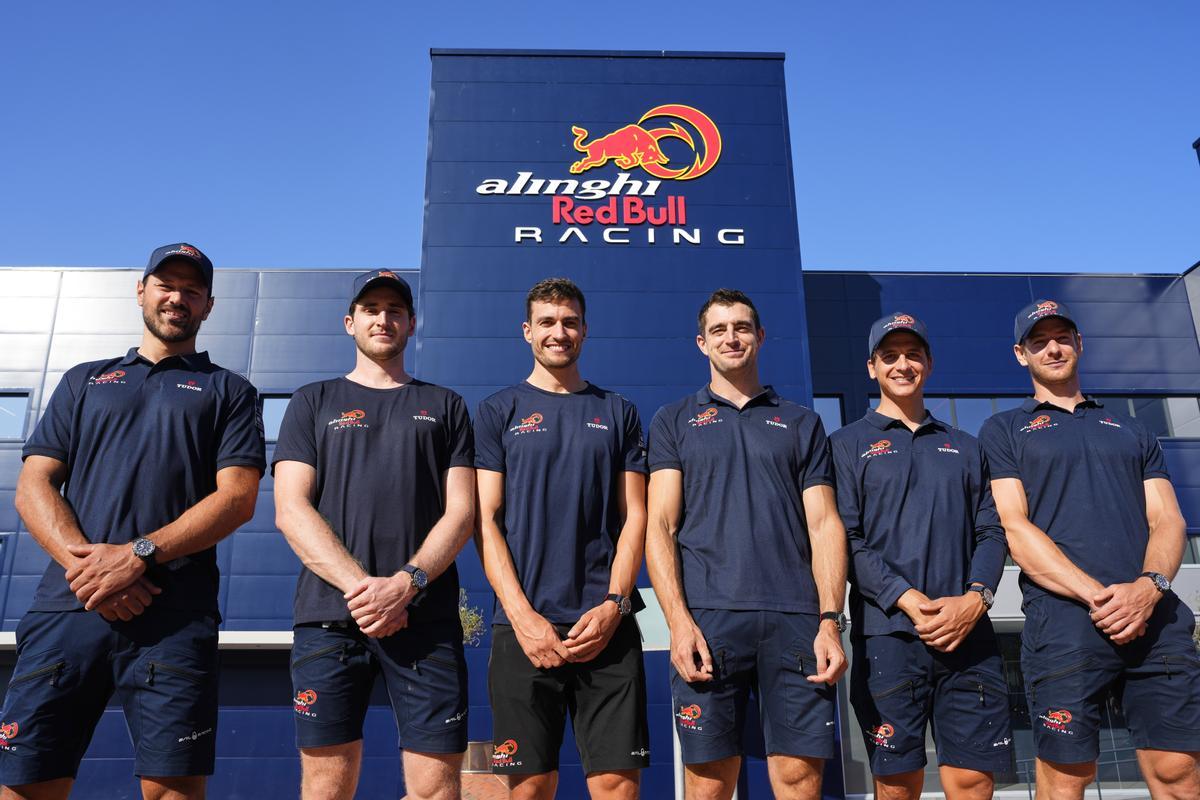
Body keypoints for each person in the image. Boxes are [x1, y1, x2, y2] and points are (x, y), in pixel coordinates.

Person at [1, 243, 265, 800]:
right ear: (141, 291)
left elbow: (238, 498)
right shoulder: (84, 380)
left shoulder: (229, 391)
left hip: (173, 615)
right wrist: (92, 573)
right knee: (26, 785)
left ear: (208, 306)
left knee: (172, 789)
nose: (178, 298)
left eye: (192, 290)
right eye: (167, 284)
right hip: (68, 608)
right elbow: (34, 485)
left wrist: (135, 556)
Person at [979, 299, 1200, 800]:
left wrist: (1148, 589)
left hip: (1154, 619)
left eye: (1062, 337)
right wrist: (1099, 597)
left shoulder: (1130, 428)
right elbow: (1013, 525)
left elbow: (1167, 518)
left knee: (1178, 771)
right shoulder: (1003, 429)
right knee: (1067, 777)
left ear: (1080, 344)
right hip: (1065, 621)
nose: (1052, 348)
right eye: (1039, 341)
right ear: (1021, 354)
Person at [272, 269, 475, 800]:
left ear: (411, 324)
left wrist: (404, 585)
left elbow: (462, 513)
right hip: (330, 620)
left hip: (424, 619)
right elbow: (291, 509)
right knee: (326, 786)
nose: (383, 319)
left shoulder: (447, 405)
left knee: (436, 789)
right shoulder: (312, 401)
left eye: (395, 311)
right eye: (371, 309)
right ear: (350, 322)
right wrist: (366, 590)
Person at [645, 288, 848, 800]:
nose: (730, 338)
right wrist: (678, 622)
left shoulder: (802, 422)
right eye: (719, 330)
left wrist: (830, 620)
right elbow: (660, 526)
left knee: (799, 778)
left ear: (759, 336)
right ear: (701, 343)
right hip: (710, 620)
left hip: (796, 620)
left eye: (741, 327)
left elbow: (824, 524)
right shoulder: (673, 420)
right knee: (709, 781)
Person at [474, 278, 649, 800]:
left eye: (569, 321)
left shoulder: (617, 411)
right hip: (522, 630)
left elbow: (636, 515)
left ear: (585, 330)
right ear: (527, 331)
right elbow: (485, 520)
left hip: (606, 629)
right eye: (547, 322)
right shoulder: (498, 411)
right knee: (527, 787)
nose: (559, 332)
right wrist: (524, 618)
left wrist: (616, 604)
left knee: (617, 786)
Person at [831, 312, 1012, 800]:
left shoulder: (967, 447)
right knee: (896, 784)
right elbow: (845, 539)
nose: (902, 365)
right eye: (890, 356)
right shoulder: (845, 446)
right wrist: (905, 597)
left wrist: (975, 599)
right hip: (888, 637)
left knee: (973, 781)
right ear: (872, 367)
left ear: (929, 364)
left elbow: (992, 531)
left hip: (968, 637)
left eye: (913, 355)